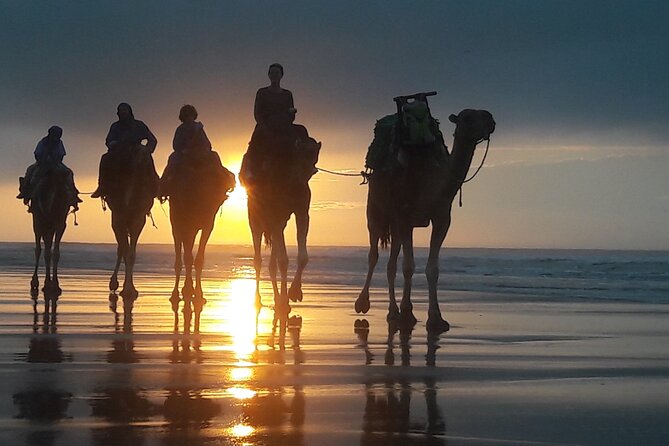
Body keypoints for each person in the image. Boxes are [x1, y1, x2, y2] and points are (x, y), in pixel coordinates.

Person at [159, 105, 235, 201]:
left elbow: (206, 143)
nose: (189, 117)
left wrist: (200, 149)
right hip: (186, 154)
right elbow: (176, 145)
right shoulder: (181, 129)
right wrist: (186, 149)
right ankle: (163, 186)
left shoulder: (198, 128)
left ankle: (224, 180)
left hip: (199, 154)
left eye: (190, 115)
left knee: (214, 156)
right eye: (187, 115)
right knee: (173, 158)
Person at [91, 103, 158, 198]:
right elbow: (108, 140)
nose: (123, 113)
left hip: (136, 149)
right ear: (118, 113)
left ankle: (155, 184)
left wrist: (147, 150)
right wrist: (112, 144)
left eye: (125, 110)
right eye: (121, 111)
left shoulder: (139, 125)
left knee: (145, 156)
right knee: (105, 157)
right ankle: (102, 185)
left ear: (129, 111)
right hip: (119, 150)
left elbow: (152, 140)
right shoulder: (115, 126)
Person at [243, 63, 296, 182]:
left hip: (283, 126)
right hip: (265, 126)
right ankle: (251, 172)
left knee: (300, 133)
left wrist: (289, 116)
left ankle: (301, 168)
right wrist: (265, 127)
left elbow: (290, 113)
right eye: (272, 73)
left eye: (276, 73)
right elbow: (257, 113)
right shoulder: (262, 92)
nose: (274, 75)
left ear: (281, 75)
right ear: (268, 75)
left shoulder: (287, 94)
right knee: (255, 147)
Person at [17, 126, 82, 211]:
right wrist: (44, 160)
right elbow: (37, 154)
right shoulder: (43, 142)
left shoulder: (59, 143)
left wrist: (55, 161)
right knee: (30, 170)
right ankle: (26, 192)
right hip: (42, 163)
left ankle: (73, 195)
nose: (57, 136)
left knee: (69, 173)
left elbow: (61, 154)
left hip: (56, 164)